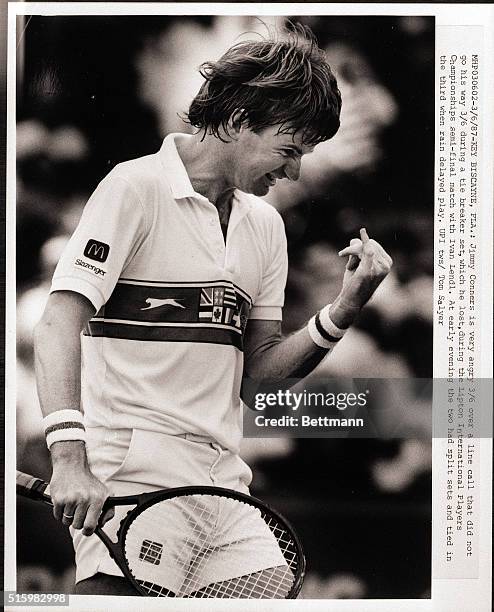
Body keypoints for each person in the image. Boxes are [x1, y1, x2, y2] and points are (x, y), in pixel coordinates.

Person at [34, 26, 392, 596]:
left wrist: (341, 311)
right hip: (133, 472)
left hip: (224, 482)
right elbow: (58, 323)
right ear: (244, 117)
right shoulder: (133, 188)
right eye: (290, 149)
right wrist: (70, 458)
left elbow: (259, 381)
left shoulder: (265, 226)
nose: (294, 172)